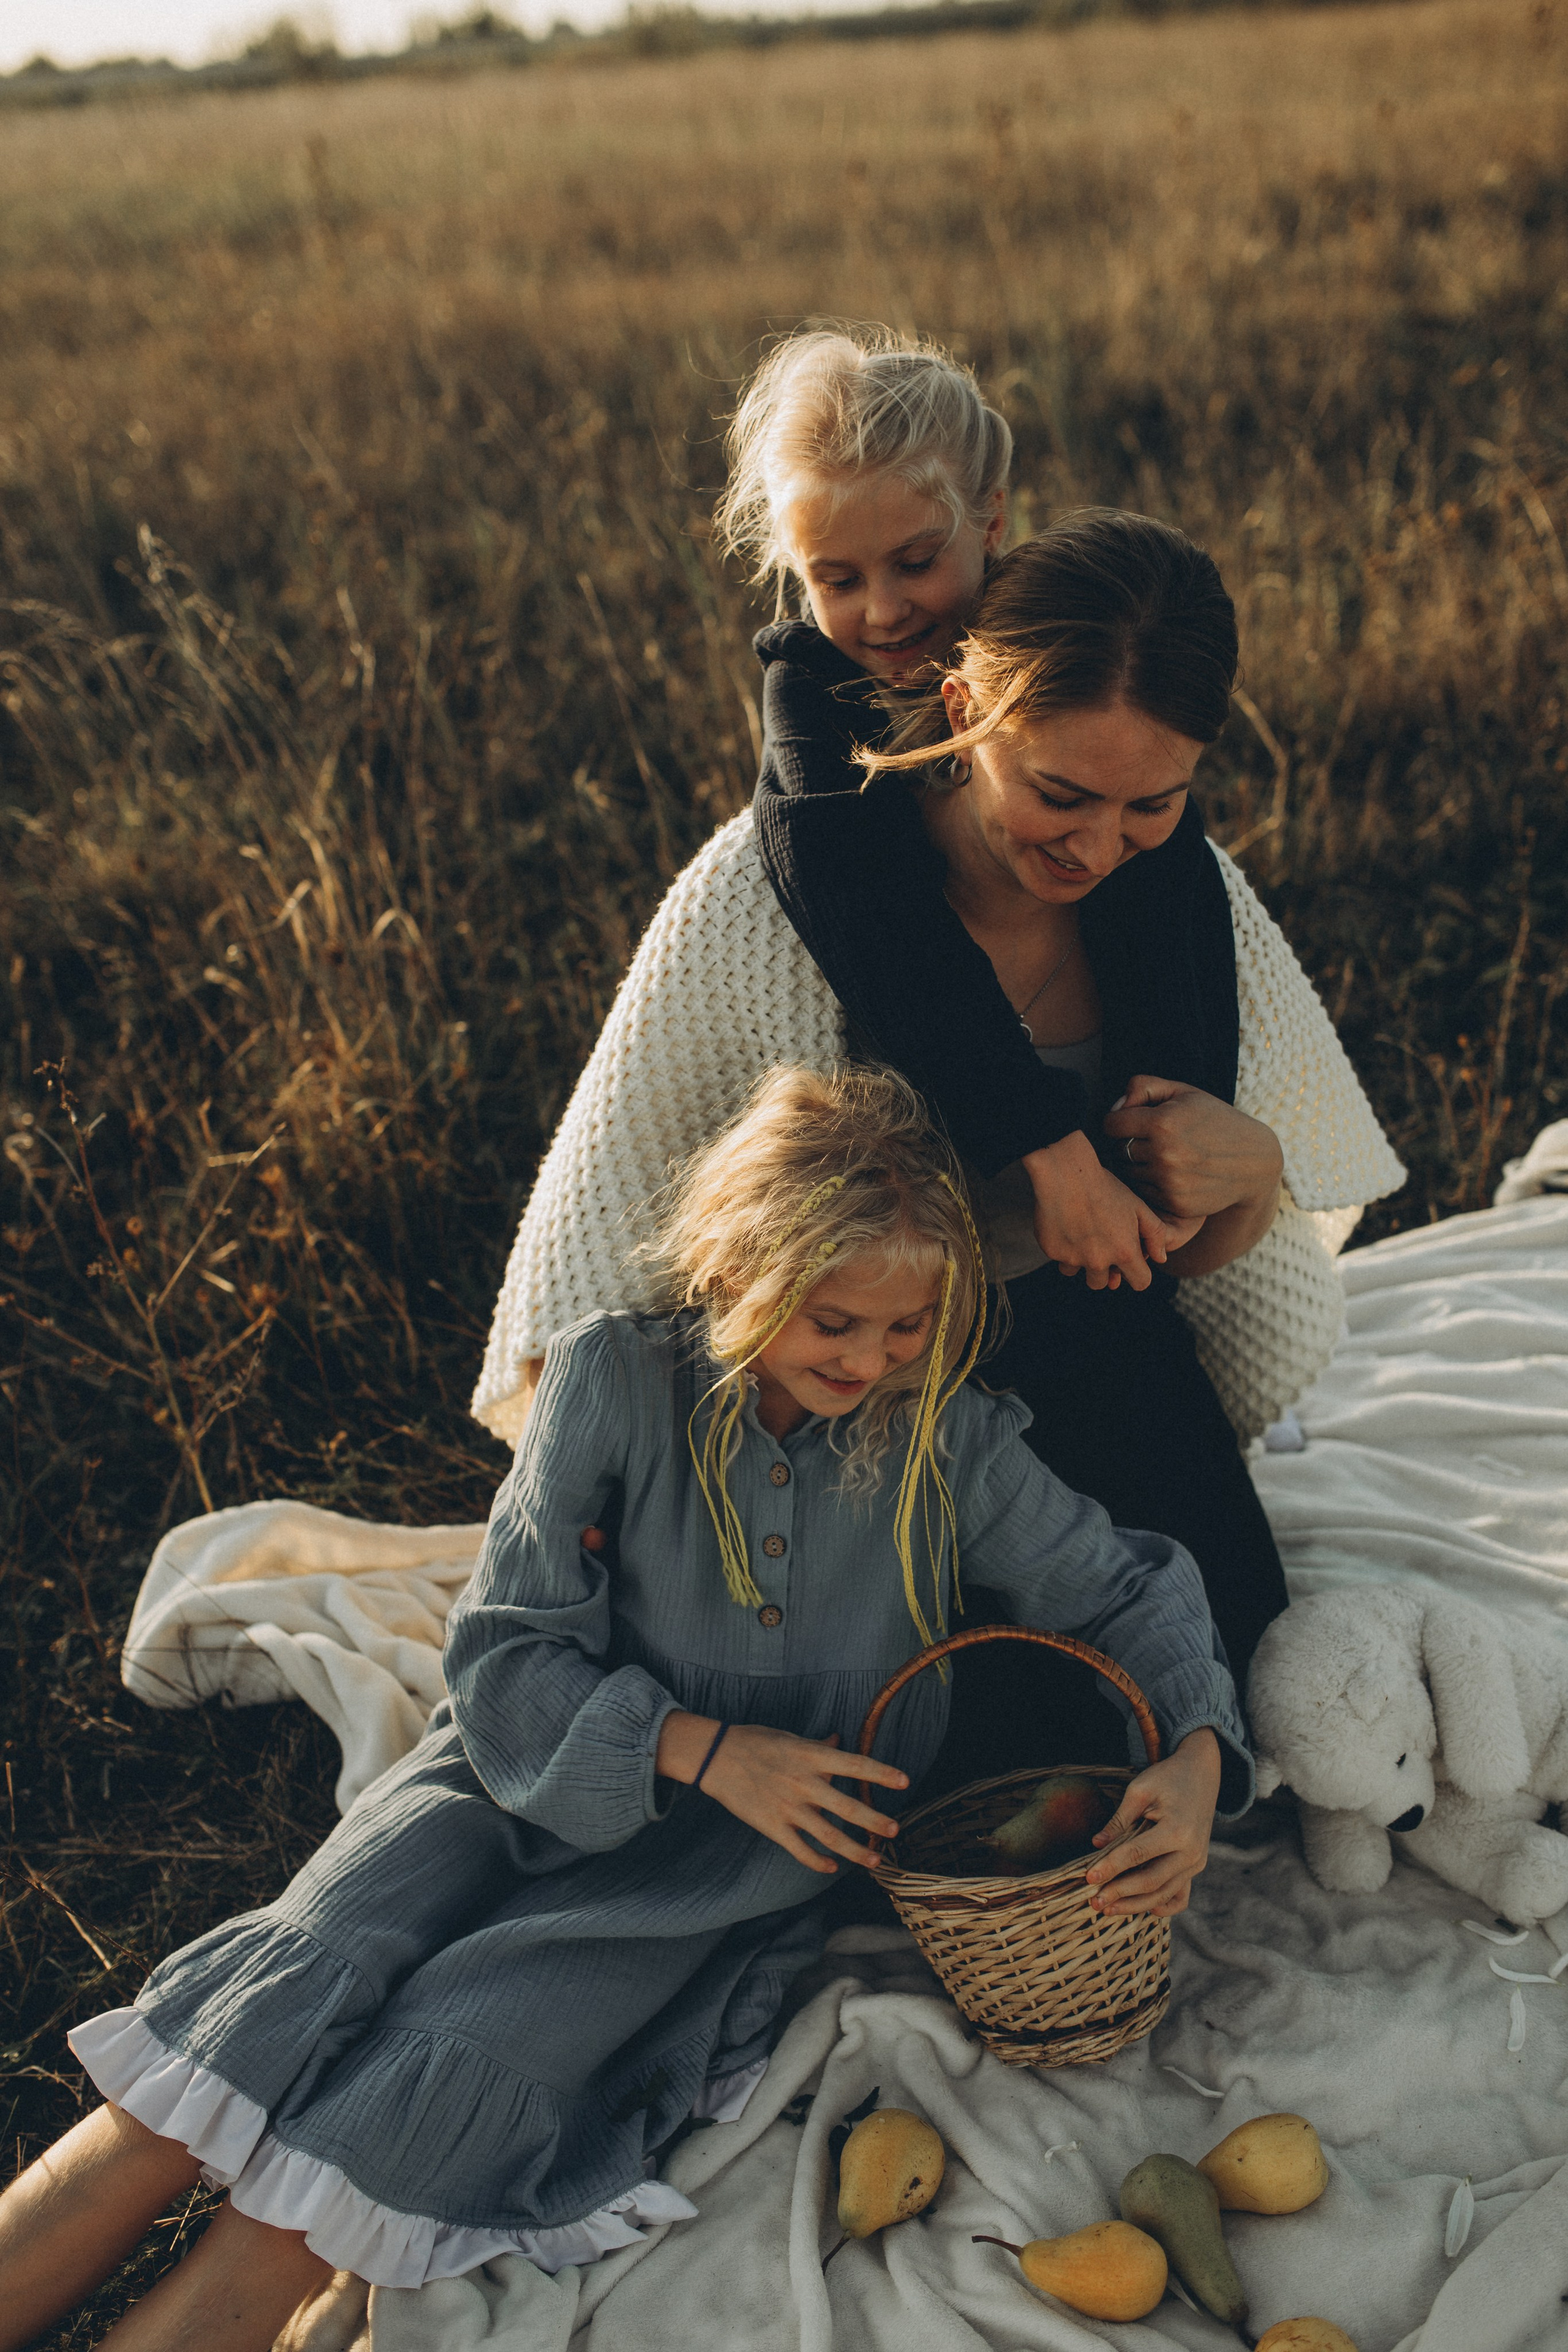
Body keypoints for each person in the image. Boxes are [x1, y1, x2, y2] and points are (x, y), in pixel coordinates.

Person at [0, 1068, 1249, 2352]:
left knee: (390, 2116)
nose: (872, 1359)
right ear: (735, 1273)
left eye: (907, 1328)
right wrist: (700, 1745)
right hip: (498, 1783)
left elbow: (1123, 1589)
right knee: (233, 2038)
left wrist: (1199, 1750)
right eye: (832, 1322)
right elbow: (502, 1653)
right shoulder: (613, 1379)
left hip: (704, 1872)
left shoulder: (945, 1441)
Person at [475, 328, 1403, 1748]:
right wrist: (588, 1488)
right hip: (852, 1388)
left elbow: (1171, 1266)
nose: (1099, 844)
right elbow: (622, 1198)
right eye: (1057, 796)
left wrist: (1249, 1175)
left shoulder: (1171, 882)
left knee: (1226, 1677)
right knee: (951, 1735)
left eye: (1147, 806)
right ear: (970, 707)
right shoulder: (780, 880)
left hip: (1085, 1350)